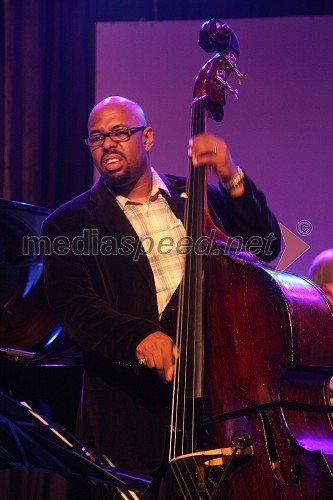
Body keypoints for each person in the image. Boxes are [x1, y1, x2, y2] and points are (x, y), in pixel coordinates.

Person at [41, 96, 281, 498]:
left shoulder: (197, 197)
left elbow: (268, 243)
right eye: (97, 137)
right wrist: (137, 336)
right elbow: (75, 307)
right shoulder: (67, 223)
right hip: (128, 424)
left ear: (147, 137)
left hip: (217, 409)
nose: (108, 144)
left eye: (120, 132)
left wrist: (230, 173)